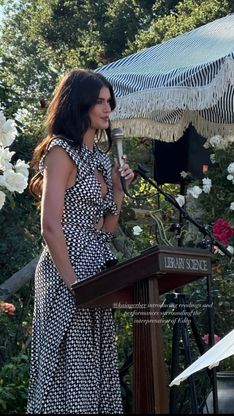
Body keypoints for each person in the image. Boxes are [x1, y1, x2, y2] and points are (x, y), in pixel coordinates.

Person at [27, 68, 134, 414]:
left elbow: (106, 228)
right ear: (81, 105)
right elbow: (50, 226)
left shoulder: (102, 161)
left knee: (92, 363)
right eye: (99, 102)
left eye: (109, 102)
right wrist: (74, 284)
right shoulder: (61, 151)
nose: (107, 109)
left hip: (96, 268)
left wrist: (118, 188)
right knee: (66, 364)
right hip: (66, 270)